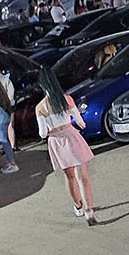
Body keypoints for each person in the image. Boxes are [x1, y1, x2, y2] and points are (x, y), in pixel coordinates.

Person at [35, 67, 98, 225]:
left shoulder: (40, 107)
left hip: (56, 141)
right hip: (71, 135)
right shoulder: (67, 99)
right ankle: (89, 211)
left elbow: (43, 133)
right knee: (82, 176)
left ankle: (78, 206)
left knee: (70, 177)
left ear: (42, 85)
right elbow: (81, 122)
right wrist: (79, 124)